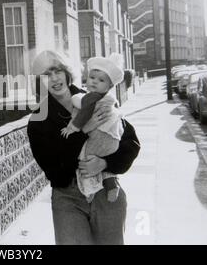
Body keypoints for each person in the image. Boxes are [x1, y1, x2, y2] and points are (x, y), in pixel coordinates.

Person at [27, 50, 140, 245]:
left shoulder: (93, 97)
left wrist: (105, 163)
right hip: (68, 198)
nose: (54, 78)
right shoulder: (38, 121)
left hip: (105, 193)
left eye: (57, 71)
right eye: (46, 75)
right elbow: (56, 172)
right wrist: (84, 130)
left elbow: (130, 142)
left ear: (66, 72)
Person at [60, 54, 125, 203]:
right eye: (92, 78)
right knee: (97, 159)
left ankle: (89, 190)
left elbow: (84, 113)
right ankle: (111, 182)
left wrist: (73, 128)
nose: (94, 82)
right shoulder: (107, 98)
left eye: (101, 80)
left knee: (85, 159)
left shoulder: (91, 97)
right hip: (113, 138)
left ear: (109, 86)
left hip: (101, 136)